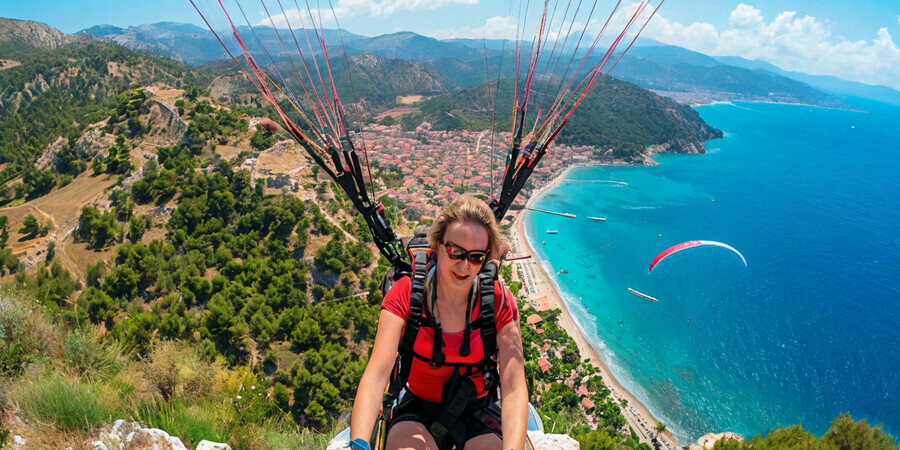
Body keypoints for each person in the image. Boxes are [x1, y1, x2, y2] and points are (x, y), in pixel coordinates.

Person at [350, 194, 528, 450]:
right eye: (456, 251)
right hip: (418, 408)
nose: (464, 265)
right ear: (437, 244)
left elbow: (513, 388)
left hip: (477, 410)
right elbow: (377, 374)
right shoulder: (406, 294)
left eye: (476, 256)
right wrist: (359, 442)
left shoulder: (498, 301)